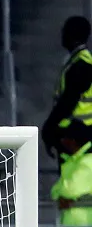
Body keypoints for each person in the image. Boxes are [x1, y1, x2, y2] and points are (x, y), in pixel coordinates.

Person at [42, 17, 92, 157]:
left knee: (74, 177)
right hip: (78, 135)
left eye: (65, 31)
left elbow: (68, 101)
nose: (61, 35)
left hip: (78, 136)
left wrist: (49, 128)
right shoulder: (79, 61)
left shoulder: (80, 65)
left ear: (71, 35)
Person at [50, 134, 92, 227]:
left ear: (73, 140)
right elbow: (54, 191)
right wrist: (61, 196)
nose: (62, 142)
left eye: (65, 138)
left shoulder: (88, 161)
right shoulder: (73, 161)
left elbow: (70, 190)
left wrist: (64, 195)